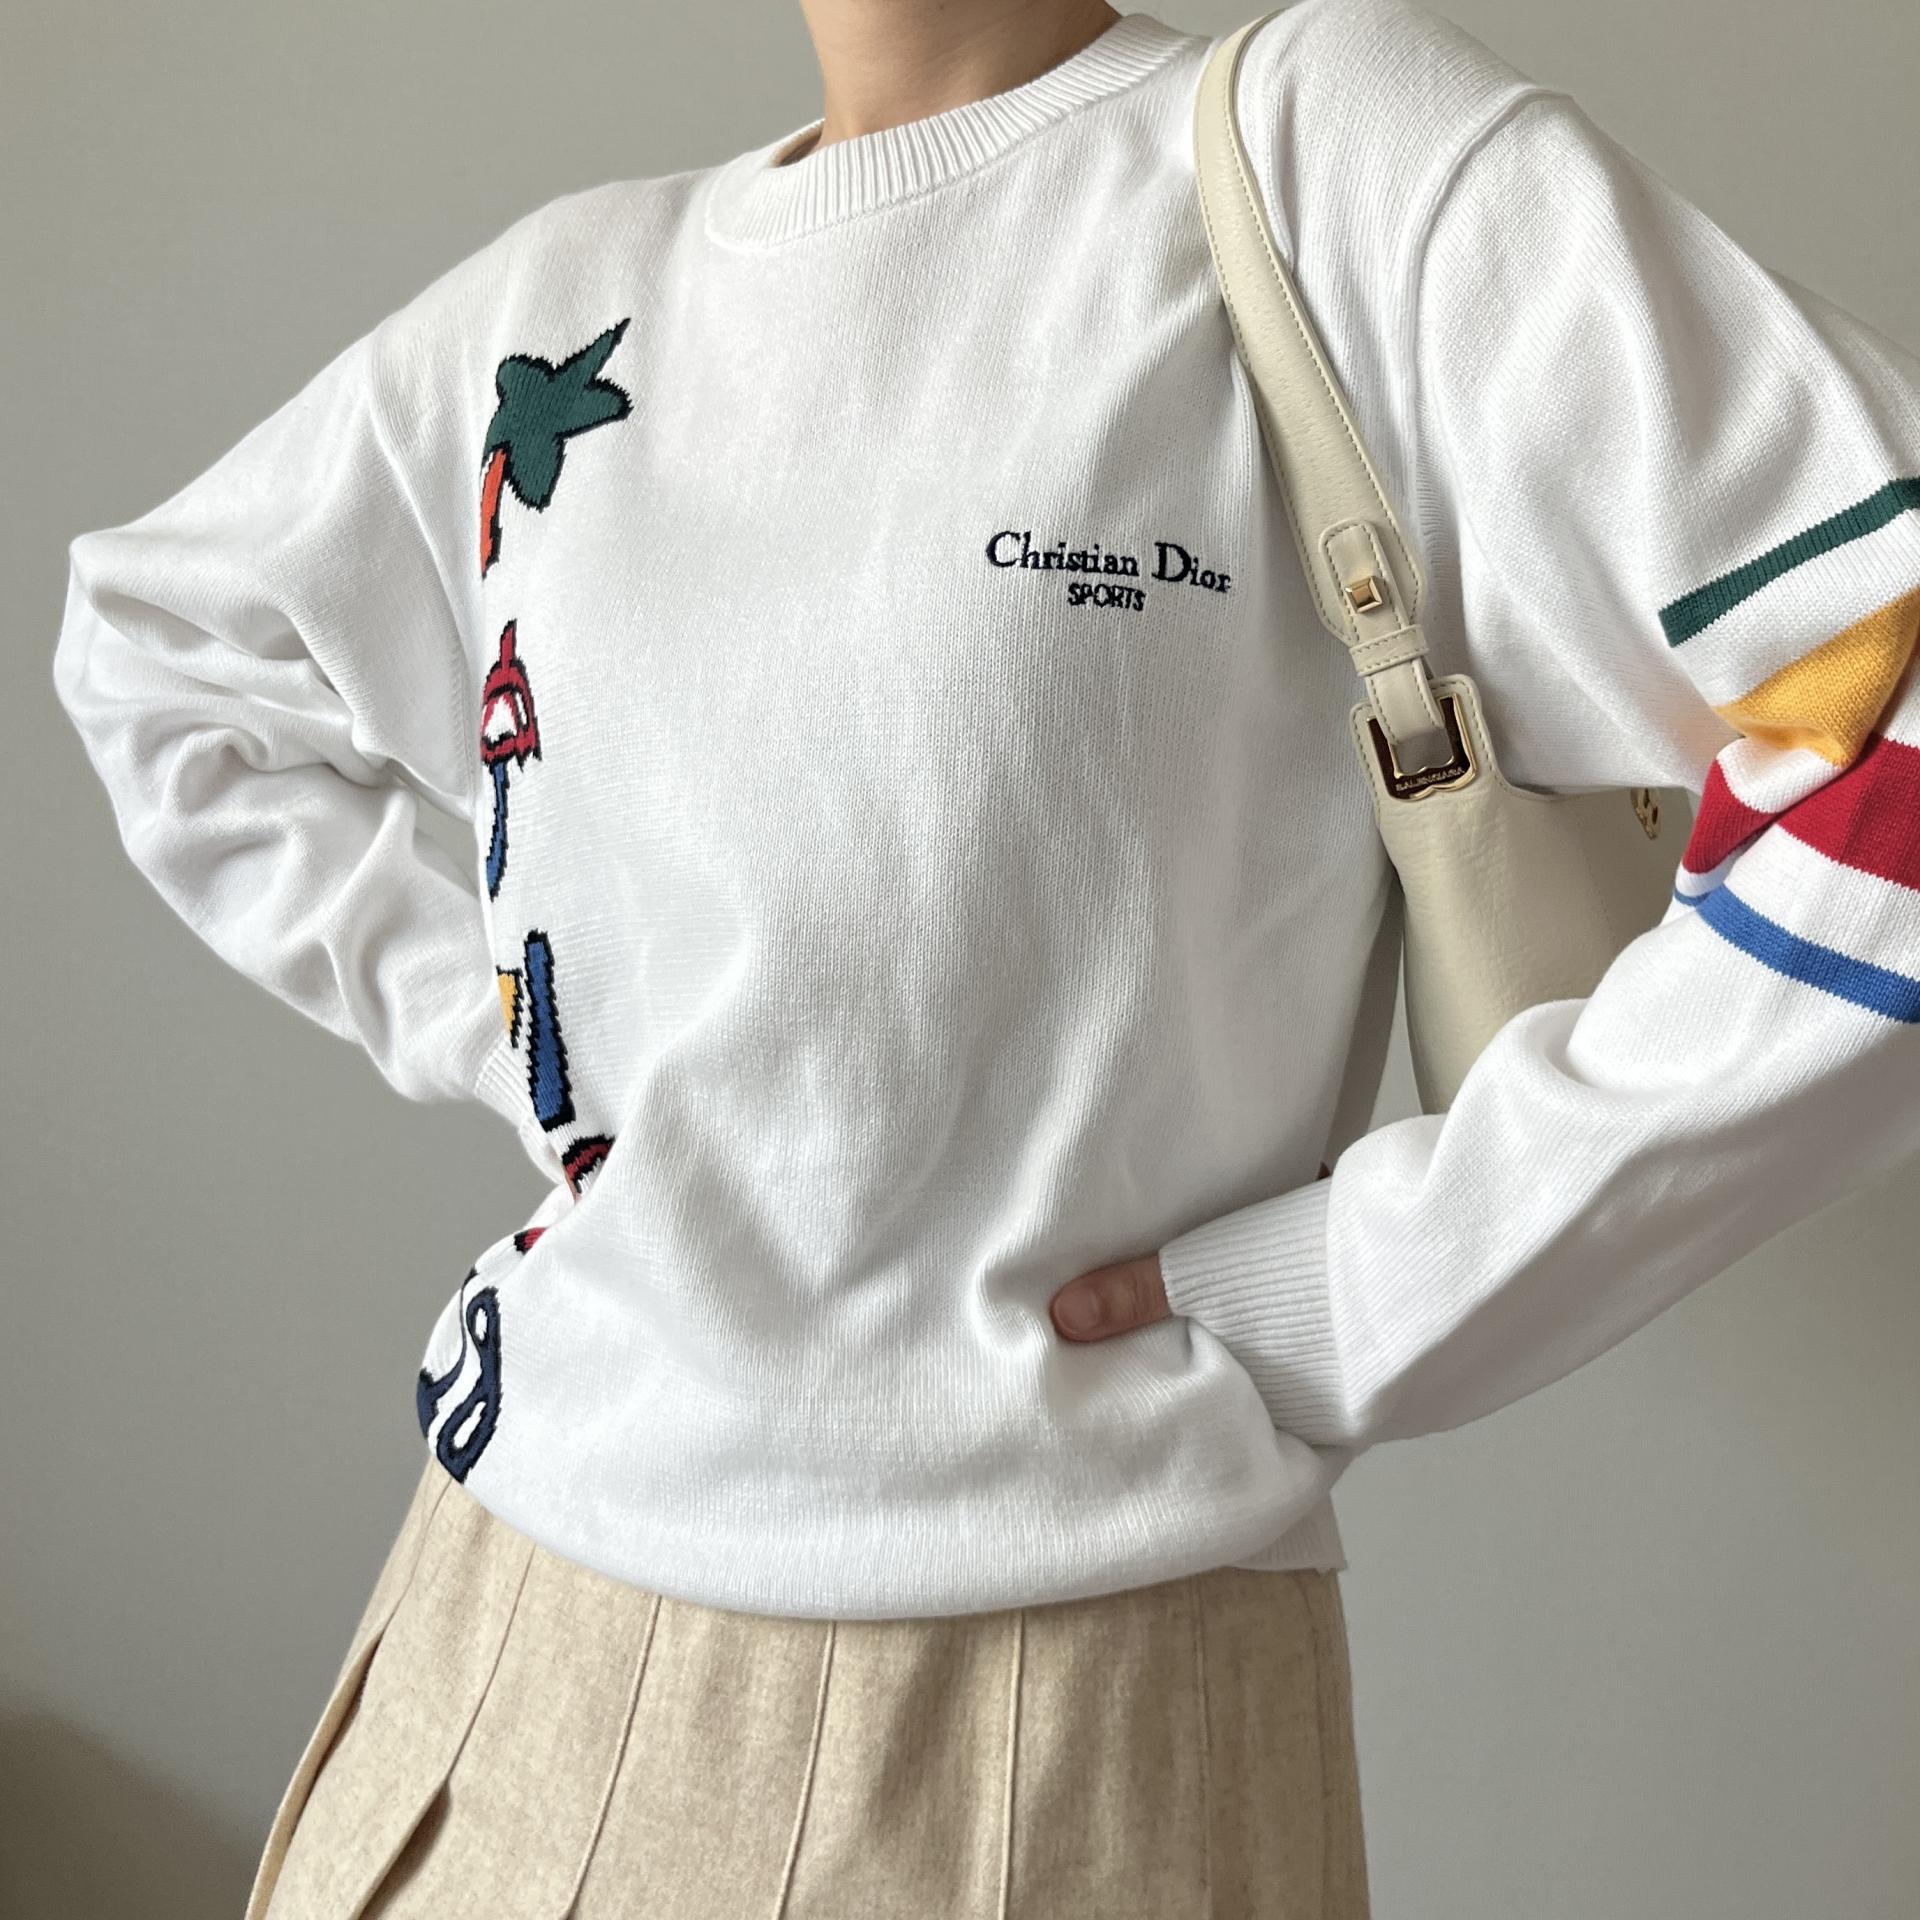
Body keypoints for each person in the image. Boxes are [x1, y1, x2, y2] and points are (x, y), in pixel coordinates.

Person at [50, 0, 1920, 1912]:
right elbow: (164, 654)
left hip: (1063, 1705)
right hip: (493, 1642)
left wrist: (1384, 1285)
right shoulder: (568, 301)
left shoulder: (1319, 157)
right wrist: (526, 1036)